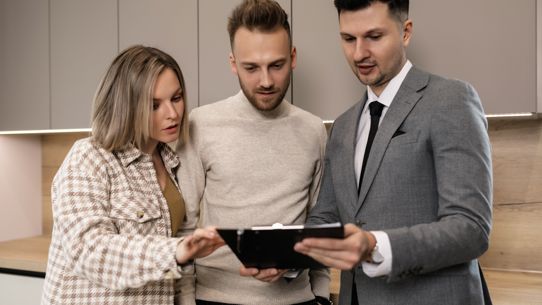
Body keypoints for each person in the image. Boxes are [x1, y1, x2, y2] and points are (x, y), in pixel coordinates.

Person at [294, 0, 493, 304]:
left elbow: (471, 228)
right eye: (349, 39)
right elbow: (327, 216)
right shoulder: (343, 126)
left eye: (374, 37)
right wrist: (284, 258)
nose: (359, 53)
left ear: (406, 32)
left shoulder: (450, 100)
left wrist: (375, 245)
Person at [41, 45, 224, 305]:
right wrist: (175, 250)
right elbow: (88, 251)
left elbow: (179, 264)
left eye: (176, 98)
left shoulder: (172, 162)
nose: (172, 114)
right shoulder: (89, 158)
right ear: (126, 106)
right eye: (154, 105)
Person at [176, 0, 331, 304]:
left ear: (293, 57)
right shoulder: (199, 124)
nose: (266, 81)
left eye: (277, 65)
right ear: (233, 63)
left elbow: (319, 222)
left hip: (297, 299)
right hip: (215, 298)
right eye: (251, 68)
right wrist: (185, 300)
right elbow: (185, 226)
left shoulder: (314, 131)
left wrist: (322, 296)